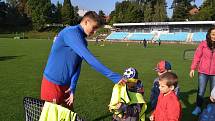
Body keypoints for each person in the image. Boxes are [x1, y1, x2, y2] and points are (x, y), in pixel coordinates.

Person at [40, 11, 125, 110]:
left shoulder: (83, 41)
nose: (95, 32)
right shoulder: (70, 32)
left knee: (69, 115)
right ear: (86, 22)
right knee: (51, 116)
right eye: (94, 28)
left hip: (67, 86)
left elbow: (77, 66)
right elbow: (89, 59)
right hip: (52, 83)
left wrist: (72, 87)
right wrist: (115, 77)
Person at [190, 27, 215, 116]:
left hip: (214, 73)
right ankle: (198, 107)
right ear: (209, 34)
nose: (214, 36)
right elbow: (197, 56)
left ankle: (212, 109)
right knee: (201, 91)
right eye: (213, 34)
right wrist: (193, 68)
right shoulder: (203, 44)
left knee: (214, 93)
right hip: (203, 72)